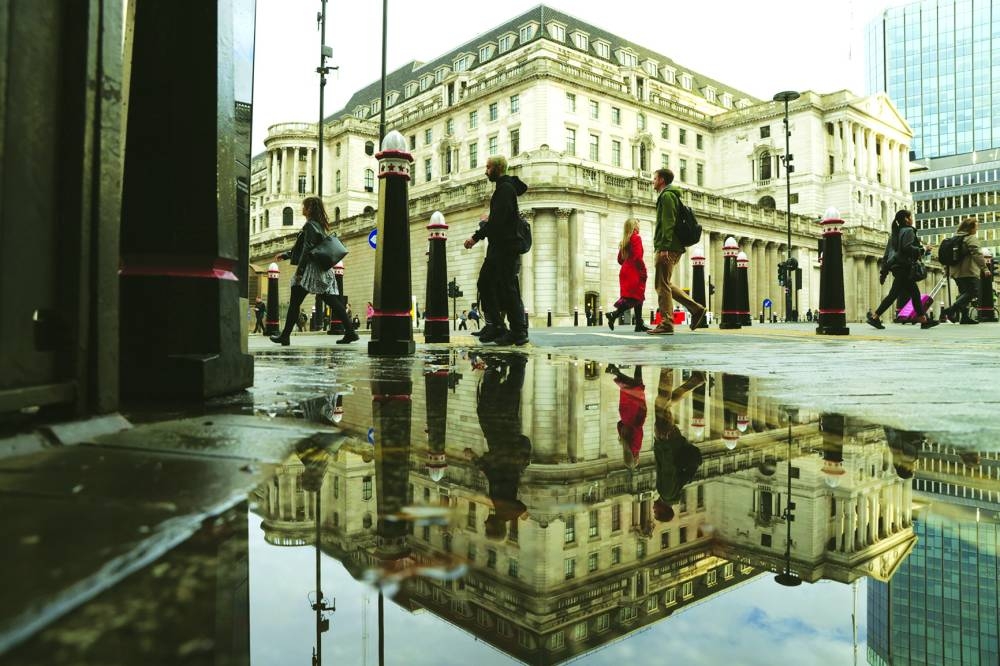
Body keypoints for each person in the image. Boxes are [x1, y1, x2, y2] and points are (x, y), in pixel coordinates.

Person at [270, 196, 358, 345]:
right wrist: (285, 255)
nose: (302, 209)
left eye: (304, 206)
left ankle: (285, 336)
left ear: (309, 208)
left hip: (310, 270)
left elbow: (307, 249)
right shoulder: (318, 225)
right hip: (321, 269)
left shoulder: (310, 225)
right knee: (332, 301)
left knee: (295, 303)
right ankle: (350, 332)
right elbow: (306, 248)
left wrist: (300, 271)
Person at [464, 156, 529, 346]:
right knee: (488, 284)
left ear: (497, 168)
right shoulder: (504, 189)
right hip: (500, 249)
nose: (486, 171)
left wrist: (476, 236)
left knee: (507, 289)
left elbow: (497, 222)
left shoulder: (505, 189)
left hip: (504, 249)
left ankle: (517, 331)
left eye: (488, 167)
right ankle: (497, 326)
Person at [465, 353, 531, 541]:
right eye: (487, 527)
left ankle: (512, 366)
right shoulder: (503, 508)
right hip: (502, 444)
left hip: (506, 445)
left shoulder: (502, 508)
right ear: (494, 526)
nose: (485, 523)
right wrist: (474, 459)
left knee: (507, 404)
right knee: (490, 408)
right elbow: (492, 473)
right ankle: (496, 368)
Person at [648, 168, 706, 335]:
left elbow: (668, 222)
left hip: (668, 246)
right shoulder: (669, 195)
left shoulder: (667, 196)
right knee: (664, 283)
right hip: (671, 246)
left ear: (662, 180)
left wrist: (664, 246)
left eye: (655, 178)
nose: (653, 181)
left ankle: (667, 323)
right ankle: (695, 309)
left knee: (662, 285)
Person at [868, 209, 939, 330]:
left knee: (902, 294)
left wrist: (884, 272)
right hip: (905, 267)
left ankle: (922, 319)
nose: (912, 219)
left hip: (897, 268)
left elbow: (886, 255)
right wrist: (923, 249)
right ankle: (875, 317)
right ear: (906, 219)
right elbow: (907, 248)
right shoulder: (909, 230)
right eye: (910, 217)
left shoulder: (894, 234)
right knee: (906, 294)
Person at [652, 369, 706, 523]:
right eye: (655, 513)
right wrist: (665, 443)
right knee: (661, 404)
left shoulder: (672, 495)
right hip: (667, 441)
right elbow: (668, 468)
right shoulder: (667, 493)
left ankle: (695, 381)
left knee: (664, 406)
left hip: (671, 441)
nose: (653, 509)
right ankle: (667, 371)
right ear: (663, 510)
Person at [940, 217, 991, 324]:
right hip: (968, 271)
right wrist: (985, 268)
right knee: (972, 292)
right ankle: (950, 310)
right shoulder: (970, 238)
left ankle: (964, 317)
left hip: (955, 272)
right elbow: (977, 254)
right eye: (976, 227)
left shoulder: (955, 238)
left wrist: (946, 270)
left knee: (964, 293)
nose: (977, 229)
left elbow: (948, 256)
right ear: (971, 228)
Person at [607, 218, 650, 332]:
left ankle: (639, 324)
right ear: (634, 226)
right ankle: (614, 314)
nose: (639, 227)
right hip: (634, 271)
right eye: (638, 225)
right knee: (635, 298)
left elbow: (620, 260)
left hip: (625, 271)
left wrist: (628, 261)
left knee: (637, 296)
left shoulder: (624, 241)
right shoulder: (636, 238)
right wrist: (643, 270)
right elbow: (638, 257)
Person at [606, 363, 646, 467]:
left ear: (635, 458)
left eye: (637, 461)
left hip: (635, 414)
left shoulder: (635, 448)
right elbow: (619, 425)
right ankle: (635, 367)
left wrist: (637, 421)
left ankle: (617, 372)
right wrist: (626, 423)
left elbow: (637, 429)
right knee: (632, 388)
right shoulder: (623, 443)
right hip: (625, 414)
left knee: (636, 388)